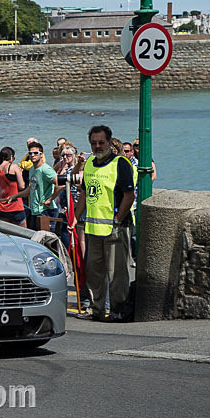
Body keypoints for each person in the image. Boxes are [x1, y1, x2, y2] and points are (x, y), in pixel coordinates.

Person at [70, 125, 135, 322]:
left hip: (116, 228)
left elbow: (129, 195)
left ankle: (118, 310)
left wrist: (117, 219)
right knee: (94, 274)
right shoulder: (89, 163)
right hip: (93, 228)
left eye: (101, 143)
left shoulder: (120, 163)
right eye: (94, 143)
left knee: (117, 274)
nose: (97, 146)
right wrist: (75, 218)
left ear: (109, 142)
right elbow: (84, 193)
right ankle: (97, 309)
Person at [7, 140, 58, 231]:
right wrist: (16, 196)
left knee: (47, 240)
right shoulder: (32, 169)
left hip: (46, 210)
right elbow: (31, 188)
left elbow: (61, 185)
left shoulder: (46, 169)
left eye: (35, 153)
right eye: (30, 153)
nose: (33, 155)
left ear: (41, 154)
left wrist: (50, 199)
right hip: (35, 210)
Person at [0, 146, 26, 227]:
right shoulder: (14, 167)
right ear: (11, 156)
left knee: (5, 234)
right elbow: (22, 186)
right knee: (23, 234)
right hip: (15, 205)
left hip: (0, 207)